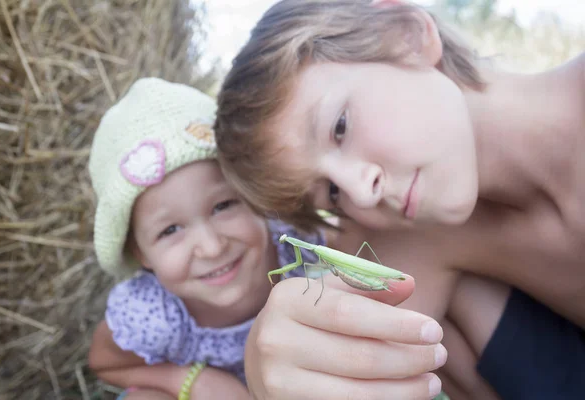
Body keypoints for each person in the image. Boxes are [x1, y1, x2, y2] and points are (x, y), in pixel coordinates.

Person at [214, 0, 585, 399]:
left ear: (407, 35)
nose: (360, 190)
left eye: (340, 126)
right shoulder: (415, 235)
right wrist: (263, 365)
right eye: (332, 194)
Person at [86, 77, 331, 399]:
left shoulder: (297, 244)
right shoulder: (152, 314)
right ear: (141, 254)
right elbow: (105, 363)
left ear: (253, 195)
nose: (213, 247)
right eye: (170, 230)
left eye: (224, 205)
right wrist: (191, 381)